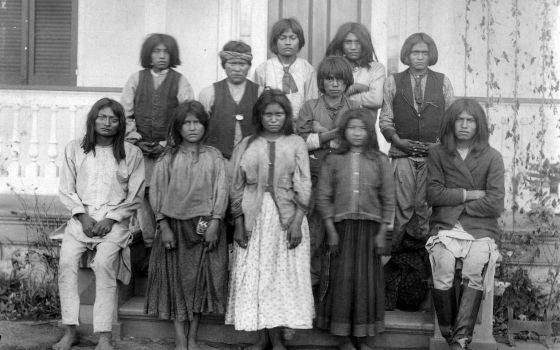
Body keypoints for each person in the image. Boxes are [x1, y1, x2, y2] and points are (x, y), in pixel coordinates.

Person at [225, 89, 314, 350]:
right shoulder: (247, 144)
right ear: (259, 116)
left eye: (279, 114)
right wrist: (239, 222)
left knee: (280, 278)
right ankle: (262, 338)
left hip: (287, 217)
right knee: (258, 277)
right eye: (268, 114)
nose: (273, 119)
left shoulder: (296, 143)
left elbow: (305, 184)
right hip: (256, 218)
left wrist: (297, 221)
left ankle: (278, 341)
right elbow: (236, 186)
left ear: (286, 116)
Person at [54, 98, 145, 350]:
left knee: (104, 263)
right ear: (93, 120)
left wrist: (111, 219)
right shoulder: (75, 149)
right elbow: (66, 189)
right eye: (101, 117)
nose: (107, 123)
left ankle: (104, 335)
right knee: (66, 263)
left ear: (120, 123)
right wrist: (82, 216)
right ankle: (70, 329)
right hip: (80, 220)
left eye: (113, 119)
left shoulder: (131, 153)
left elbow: (135, 195)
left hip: (114, 221)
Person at [145, 100, 228, 350]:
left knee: (198, 283)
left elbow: (221, 190)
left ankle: (194, 337)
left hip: (205, 227)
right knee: (177, 283)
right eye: (187, 123)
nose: (192, 128)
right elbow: (156, 193)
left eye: (197, 123)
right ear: (179, 127)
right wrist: (164, 225)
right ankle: (180, 337)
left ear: (205, 126)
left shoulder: (214, 157)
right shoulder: (168, 158)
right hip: (175, 228)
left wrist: (215, 222)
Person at [379, 33, 454, 311]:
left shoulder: (443, 82)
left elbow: (450, 121)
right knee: (403, 211)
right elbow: (385, 118)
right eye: (414, 53)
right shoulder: (392, 82)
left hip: (432, 160)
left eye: (424, 53)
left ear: (430, 55)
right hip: (402, 156)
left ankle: (422, 279)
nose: (419, 57)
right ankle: (395, 279)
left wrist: (439, 147)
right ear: (406, 55)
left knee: (424, 212)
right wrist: (397, 140)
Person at [426, 98, 504, 350]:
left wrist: (454, 201)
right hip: (445, 226)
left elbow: (495, 204)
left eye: (470, 120)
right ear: (451, 122)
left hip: (481, 230)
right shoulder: (438, 153)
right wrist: (469, 194)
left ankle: (459, 341)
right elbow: (433, 194)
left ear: (478, 125)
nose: (464, 125)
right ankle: (451, 333)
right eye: (459, 119)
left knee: (473, 268)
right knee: (444, 266)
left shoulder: (492, 157)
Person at [315, 108, 394, 350]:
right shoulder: (333, 160)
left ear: (370, 131)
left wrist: (382, 233)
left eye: (362, 128)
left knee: (365, 285)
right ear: (343, 131)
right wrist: (330, 230)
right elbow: (323, 197)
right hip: (341, 230)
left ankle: (362, 336)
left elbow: (388, 199)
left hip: (371, 232)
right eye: (351, 128)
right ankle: (344, 339)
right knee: (343, 283)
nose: (357, 133)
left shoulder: (380, 161)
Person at [120, 33, 194, 262]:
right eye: (156, 51)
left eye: (166, 52)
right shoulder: (136, 79)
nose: (161, 56)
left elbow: (187, 114)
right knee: (143, 196)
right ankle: (151, 247)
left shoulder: (180, 81)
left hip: (169, 151)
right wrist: (135, 138)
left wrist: (167, 143)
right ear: (148, 55)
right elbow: (125, 113)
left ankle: (169, 247)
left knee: (168, 195)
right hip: (140, 151)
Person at [295, 55, 358, 287]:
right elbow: (300, 142)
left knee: (339, 233)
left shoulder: (355, 108)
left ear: (346, 82)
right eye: (329, 79)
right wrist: (333, 134)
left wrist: (320, 136)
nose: (334, 84)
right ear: (321, 82)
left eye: (339, 80)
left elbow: (357, 141)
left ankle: (334, 289)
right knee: (313, 231)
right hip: (314, 178)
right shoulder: (309, 107)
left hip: (344, 181)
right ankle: (308, 286)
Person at [199, 40, 263, 159]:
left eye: (242, 64)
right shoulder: (209, 93)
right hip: (217, 159)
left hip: (251, 159)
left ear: (249, 66)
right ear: (224, 65)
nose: (237, 69)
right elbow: (200, 128)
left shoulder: (260, 93)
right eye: (232, 64)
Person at [254, 18, 318, 119]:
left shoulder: (307, 70)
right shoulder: (263, 70)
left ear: (300, 41)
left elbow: (312, 103)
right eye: (282, 38)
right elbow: (258, 103)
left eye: (293, 38)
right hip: (272, 125)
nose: (288, 42)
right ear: (275, 41)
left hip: (300, 127)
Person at [325, 22, 385, 118]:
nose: (353, 47)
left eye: (358, 42)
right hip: (335, 127)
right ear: (341, 44)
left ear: (365, 44)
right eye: (348, 42)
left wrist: (347, 96)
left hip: (365, 128)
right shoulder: (332, 67)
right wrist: (356, 88)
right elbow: (326, 100)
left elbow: (376, 99)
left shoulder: (376, 68)